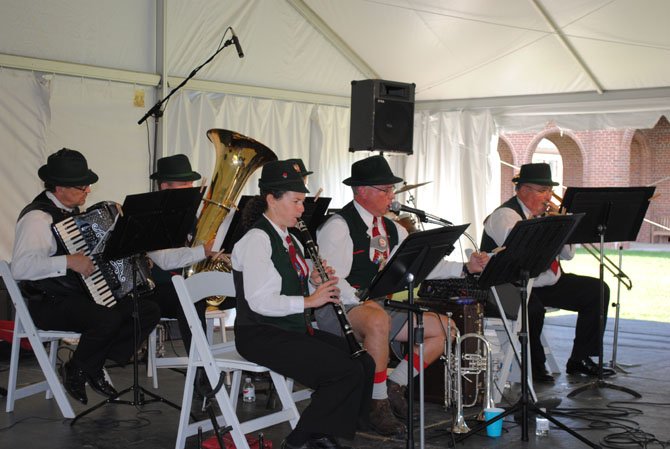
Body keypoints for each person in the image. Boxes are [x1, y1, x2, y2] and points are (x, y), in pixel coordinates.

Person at [316, 155, 488, 437]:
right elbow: (332, 280)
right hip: (337, 309)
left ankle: (394, 385)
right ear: (362, 191)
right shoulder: (339, 226)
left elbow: (420, 266)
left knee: (444, 328)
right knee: (377, 320)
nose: (391, 196)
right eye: (385, 190)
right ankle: (376, 401)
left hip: (377, 310)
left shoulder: (392, 228)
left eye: (392, 190)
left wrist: (466, 267)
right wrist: (364, 303)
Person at [232, 160, 375, 449]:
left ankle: (322, 431)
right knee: (342, 371)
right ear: (271, 199)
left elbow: (293, 284)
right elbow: (260, 301)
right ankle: (299, 440)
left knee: (364, 361)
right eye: (296, 202)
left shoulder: (292, 240)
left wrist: (314, 280)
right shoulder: (257, 241)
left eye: (302, 202)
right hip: (260, 334)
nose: (301, 209)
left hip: (289, 330)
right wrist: (311, 300)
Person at [11, 148, 161, 405]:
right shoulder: (38, 218)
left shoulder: (78, 216)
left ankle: (89, 362)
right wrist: (69, 261)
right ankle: (78, 370)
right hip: (49, 301)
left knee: (145, 309)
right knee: (107, 319)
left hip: (80, 295)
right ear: (59, 188)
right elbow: (21, 268)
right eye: (82, 187)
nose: (88, 191)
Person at [480, 162, 614, 382]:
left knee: (597, 290)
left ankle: (580, 358)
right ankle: (535, 366)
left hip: (543, 282)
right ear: (523, 191)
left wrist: (563, 225)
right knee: (532, 309)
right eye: (543, 191)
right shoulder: (505, 215)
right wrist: (549, 227)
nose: (549, 197)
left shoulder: (541, 215)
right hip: (509, 284)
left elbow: (568, 255)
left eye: (550, 191)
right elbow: (520, 255)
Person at [145, 154, 221, 352]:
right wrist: (202, 251)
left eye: (191, 183)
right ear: (165, 187)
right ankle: (201, 371)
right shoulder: (150, 216)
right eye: (185, 183)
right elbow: (164, 260)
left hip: (186, 283)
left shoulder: (189, 213)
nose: (191, 188)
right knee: (191, 296)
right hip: (158, 290)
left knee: (243, 290)